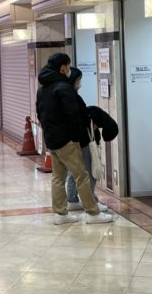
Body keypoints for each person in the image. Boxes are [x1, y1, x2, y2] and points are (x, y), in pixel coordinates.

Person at [35, 52, 114, 225]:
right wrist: (75, 138)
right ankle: (93, 213)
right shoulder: (64, 88)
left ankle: (60, 214)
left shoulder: (42, 89)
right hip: (67, 142)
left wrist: (50, 135)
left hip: (52, 141)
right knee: (82, 176)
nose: (69, 69)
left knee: (58, 177)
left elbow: (40, 114)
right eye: (68, 66)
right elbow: (73, 116)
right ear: (62, 67)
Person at [65, 68, 119, 210]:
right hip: (83, 141)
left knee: (74, 172)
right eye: (79, 80)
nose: (80, 82)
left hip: (70, 141)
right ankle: (90, 202)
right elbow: (78, 118)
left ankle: (72, 200)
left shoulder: (65, 95)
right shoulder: (73, 97)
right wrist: (89, 122)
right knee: (90, 171)